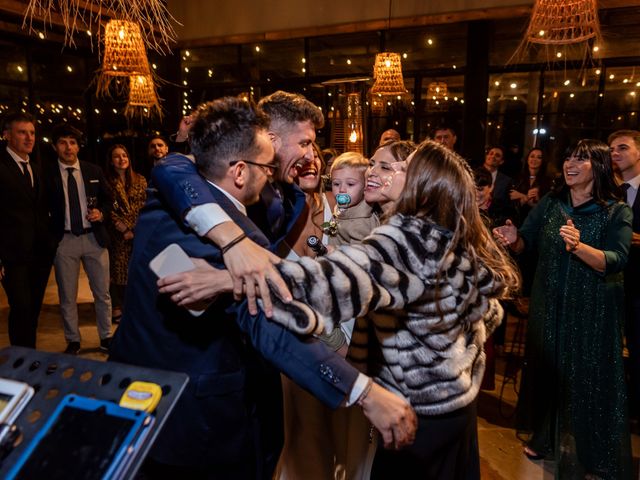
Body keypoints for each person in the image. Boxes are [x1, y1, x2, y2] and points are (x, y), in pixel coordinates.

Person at [163, 140, 519, 479]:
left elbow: (328, 283)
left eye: (397, 168)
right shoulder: (449, 232)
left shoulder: (407, 237)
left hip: (420, 411)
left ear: (423, 188)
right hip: (457, 406)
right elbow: (488, 313)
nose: (376, 173)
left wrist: (226, 280)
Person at [113, 96, 416, 478]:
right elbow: (269, 323)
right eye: (303, 144)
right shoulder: (197, 216)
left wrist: (229, 279)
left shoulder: (190, 203)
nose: (307, 156)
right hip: (193, 417)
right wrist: (362, 392)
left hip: (176, 399)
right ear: (244, 167)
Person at [493, 139, 633, 479]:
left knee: (588, 377)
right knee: (548, 369)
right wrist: (514, 238)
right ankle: (545, 437)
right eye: (569, 157)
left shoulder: (616, 211)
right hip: (549, 301)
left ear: (598, 167)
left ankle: (595, 450)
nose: (571, 163)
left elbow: (617, 260)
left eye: (581, 159)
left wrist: (580, 246)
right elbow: (527, 241)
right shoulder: (552, 204)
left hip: (594, 308)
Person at [46, 124, 113, 355]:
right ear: (55, 147)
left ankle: (106, 337)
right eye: (63, 143)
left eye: (72, 142)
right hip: (64, 241)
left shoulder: (93, 170)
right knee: (67, 296)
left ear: (78, 146)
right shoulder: (48, 174)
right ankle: (73, 340)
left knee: (102, 293)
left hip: (94, 238)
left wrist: (101, 213)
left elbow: (108, 199)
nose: (68, 147)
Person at [0, 112, 56, 348]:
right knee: (21, 308)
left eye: (32, 133)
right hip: (12, 255)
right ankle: (19, 361)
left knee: (33, 309)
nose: (29, 138)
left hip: (40, 253)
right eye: (22, 132)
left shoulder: (35, 166)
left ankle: (30, 358)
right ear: (6, 135)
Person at [609, 129, 640, 431]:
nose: (615, 153)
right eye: (612, 149)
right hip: (610, 282)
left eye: (623, 147)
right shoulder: (610, 192)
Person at [104, 144, 147, 323]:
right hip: (117, 234)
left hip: (137, 233)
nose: (121, 159)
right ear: (111, 161)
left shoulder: (141, 180)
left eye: (124, 155)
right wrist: (123, 228)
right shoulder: (107, 182)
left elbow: (144, 206)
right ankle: (117, 306)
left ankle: (134, 305)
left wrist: (134, 230)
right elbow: (107, 207)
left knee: (136, 270)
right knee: (117, 271)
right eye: (117, 156)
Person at [326, 151, 379, 246]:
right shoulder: (342, 207)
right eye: (336, 184)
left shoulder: (361, 224)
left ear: (365, 186)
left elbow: (358, 258)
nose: (342, 190)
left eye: (350, 184)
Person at [509, 147, 551, 225]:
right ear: (527, 159)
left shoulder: (547, 182)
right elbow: (512, 200)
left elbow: (542, 207)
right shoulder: (518, 178)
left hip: (536, 223)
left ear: (543, 161)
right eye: (532, 156)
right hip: (517, 221)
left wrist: (522, 196)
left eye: (539, 157)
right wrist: (528, 198)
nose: (534, 159)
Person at [482, 145, 513, 210]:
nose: (493, 156)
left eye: (497, 155)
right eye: (491, 153)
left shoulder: (506, 181)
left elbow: (506, 205)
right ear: (486, 156)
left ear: (501, 162)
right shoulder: (472, 174)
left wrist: (492, 201)